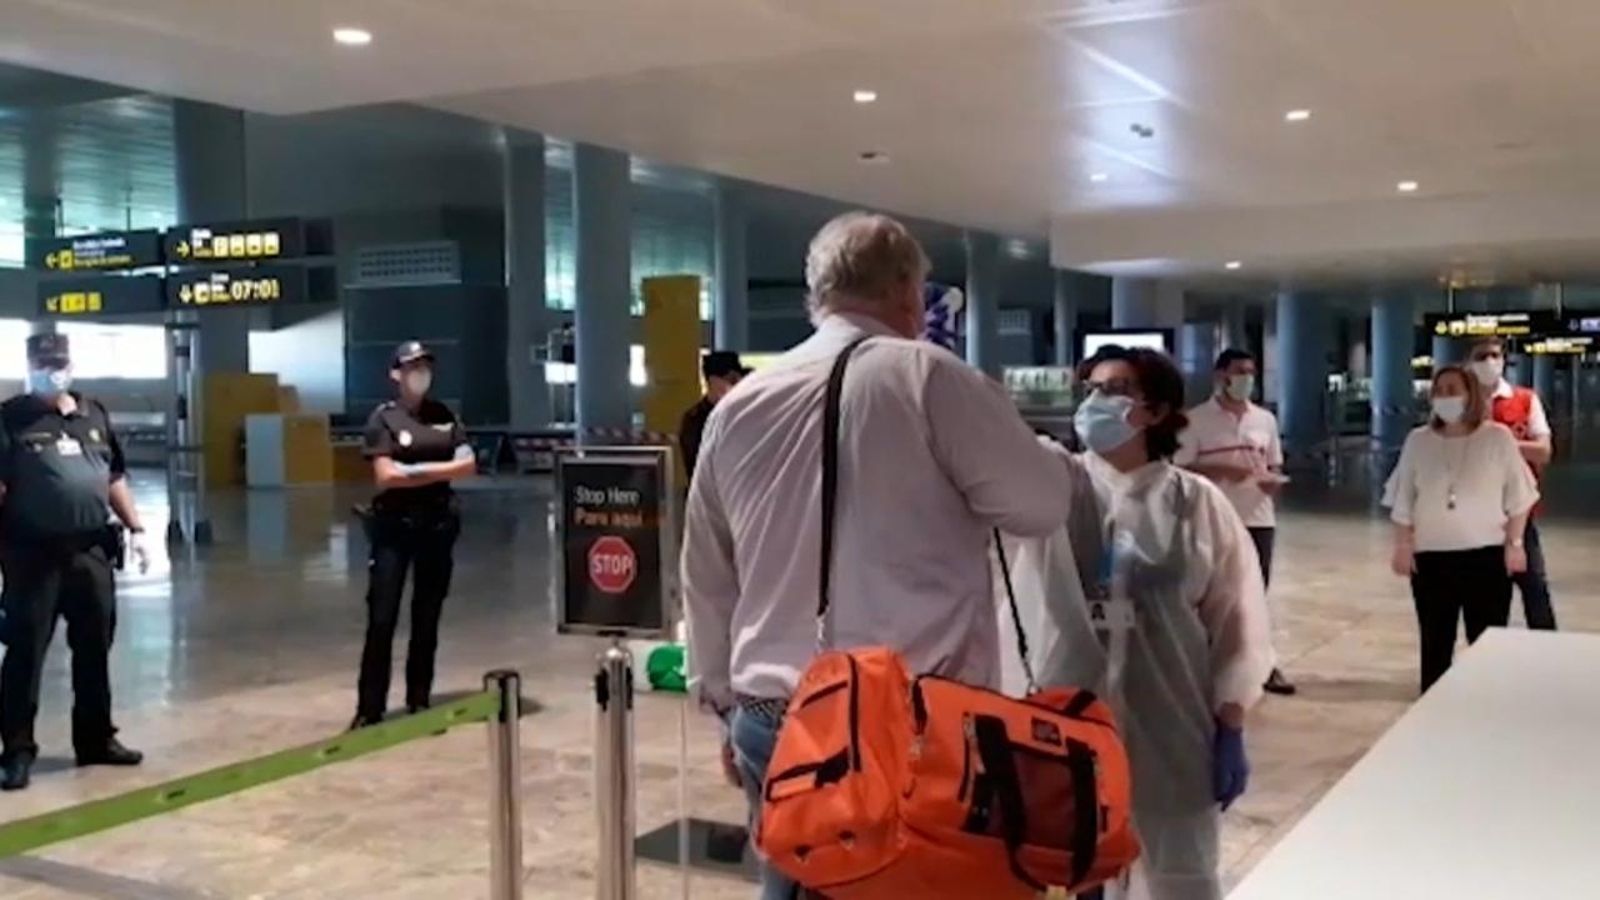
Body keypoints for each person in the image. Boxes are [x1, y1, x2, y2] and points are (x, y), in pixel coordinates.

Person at [681, 211, 1072, 900]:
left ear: (816, 296)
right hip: (912, 722)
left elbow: (707, 576)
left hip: (772, 716)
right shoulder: (930, 378)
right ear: (909, 293)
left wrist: (719, 703)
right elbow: (1041, 506)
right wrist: (1036, 451)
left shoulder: (738, 407)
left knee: (794, 881)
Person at [1002, 345, 1272, 900]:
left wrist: (1232, 721)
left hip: (1168, 718)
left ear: (1155, 411)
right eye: (1091, 389)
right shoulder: (1056, 487)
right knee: (1072, 864)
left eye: (1115, 389)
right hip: (1068, 714)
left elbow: (1237, 619)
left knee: (1177, 867)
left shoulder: (1195, 504)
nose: (1095, 402)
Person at [0, 333, 151, 791]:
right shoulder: (11, 419)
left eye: (59, 362)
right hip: (33, 554)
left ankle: (95, 737)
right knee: (26, 652)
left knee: (94, 648)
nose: (53, 369)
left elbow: (113, 477)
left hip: (91, 552)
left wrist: (138, 528)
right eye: (44, 363)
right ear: (29, 365)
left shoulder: (94, 415)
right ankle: (17, 750)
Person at [1384, 365, 1537, 693]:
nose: (1445, 397)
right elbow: (1403, 498)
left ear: (1470, 394)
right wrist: (1402, 544)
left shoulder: (1497, 437)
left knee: (1486, 642)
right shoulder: (1418, 441)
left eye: (1453, 389)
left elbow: (1520, 497)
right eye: (1439, 391)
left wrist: (1516, 542)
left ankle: (1484, 708)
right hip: (1432, 559)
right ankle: (1432, 711)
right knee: (1435, 642)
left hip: (1486, 557)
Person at [351, 341, 475, 729]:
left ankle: (419, 699)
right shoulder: (384, 419)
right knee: (383, 617)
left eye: (424, 366)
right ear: (395, 374)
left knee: (427, 616)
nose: (419, 373)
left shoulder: (444, 415)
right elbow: (385, 476)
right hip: (394, 530)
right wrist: (440, 470)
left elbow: (468, 465)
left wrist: (414, 472)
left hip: (436, 527)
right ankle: (370, 708)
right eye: (411, 367)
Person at [1175, 349, 1295, 696]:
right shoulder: (1195, 421)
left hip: (1258, 518)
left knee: (1256, 592)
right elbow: (1179, 470)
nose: (1246, 379)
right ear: (1220, 376)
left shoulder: (1265, 420)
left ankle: (1262, 664)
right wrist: (1222, 470)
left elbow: (1272, 465)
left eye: (1250, 372)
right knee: (1213, 594)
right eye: (1239, 372)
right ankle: (1210, 665)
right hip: (1212, 518)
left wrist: (1272, 482)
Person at [1468, 337, 1556, 630]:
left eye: (1495, 355)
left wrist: (1501, 443)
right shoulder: (1463, 406)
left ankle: (1547, 651)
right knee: (1489, 599)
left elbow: (1543, 451)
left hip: (1520, 513)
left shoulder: (1525, 400)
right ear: (1471, 362)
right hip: (1478, 517)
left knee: (1535, 589)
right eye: (1481, 356)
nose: (1489, 362)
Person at [679, 351, 750, 482]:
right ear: (712, 381)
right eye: (732, 380)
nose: (737, 386)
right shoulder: (695, 419)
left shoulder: (740, 412)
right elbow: (697, 464)